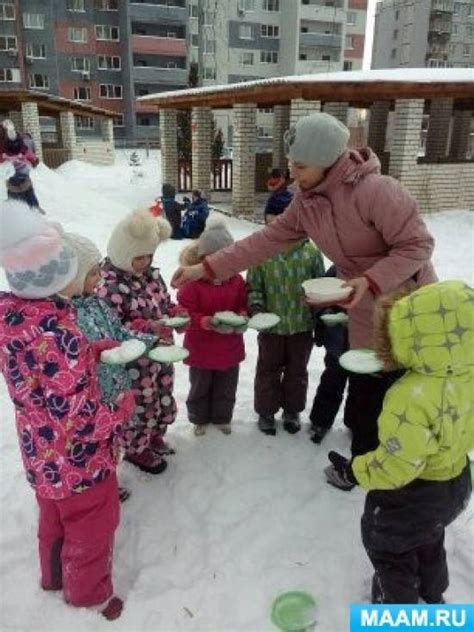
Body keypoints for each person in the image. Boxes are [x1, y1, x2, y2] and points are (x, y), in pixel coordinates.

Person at [172, 112, 437, 480]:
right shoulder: (307, 201)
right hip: (362, 306)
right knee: (366, 389)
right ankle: (366, 466)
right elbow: (263, 242)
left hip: (406, 304)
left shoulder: (378, 191)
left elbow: (418, 246)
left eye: (300, 166)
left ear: (328, 160)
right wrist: (205, 269)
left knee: (402, 393)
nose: (293, 174)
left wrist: (370, 280)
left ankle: (407, 473)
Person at [0, 200, 135, 620]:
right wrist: (120, 409)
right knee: (92, 526)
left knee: (53, 517)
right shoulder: (60, 333)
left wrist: (89, 353)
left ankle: (52, 575)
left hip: (41, 453)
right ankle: (88, 593)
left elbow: (41, 379)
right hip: (81, 462)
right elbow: (80, 418)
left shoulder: (15, 320)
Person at [325, 280, 473, 603]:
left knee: (390, 548)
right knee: (430, 536)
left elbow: (397, 467)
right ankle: (433, 595)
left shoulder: (409, 396)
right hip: (456, 483)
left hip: (413, 495)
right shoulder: (468, 375)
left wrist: (355, 470)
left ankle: (396, 608)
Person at [64, 232, 158, 501]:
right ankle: (94, 489)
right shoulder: (66, 315)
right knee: (89, 447)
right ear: (73, 276)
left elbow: (119, 333)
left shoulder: (98, 304)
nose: (100, 279)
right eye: (93, 273)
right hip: (91, 396)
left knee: (110, 442)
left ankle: (107, 481)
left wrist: (149, 341)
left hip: (113, 390)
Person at [98, 209, 181, 475]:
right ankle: (136, 448)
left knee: (162, 396)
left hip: (161, 355)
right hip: (134, 364)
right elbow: (112, 328)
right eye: (138, 257)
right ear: (122, 252)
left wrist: (175, 313)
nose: (145, 262)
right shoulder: (109, 285)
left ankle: (155, 434)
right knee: (140, 406)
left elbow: (164, 304)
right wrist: (147, 328)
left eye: (149, 255)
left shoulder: (152, 276)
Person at [247, 204, 324, 436]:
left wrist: (318, 311)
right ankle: (266, 411)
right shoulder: (261, 252)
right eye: (273, 221)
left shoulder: (311, 253)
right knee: (267, 370)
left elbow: (320, 285)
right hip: (271, 327)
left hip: (301, 326)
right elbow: (254, 286)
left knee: (297, 371)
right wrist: (257, 306)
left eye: (285, 219)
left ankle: (292, 411)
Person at [177, 218, 247, 436]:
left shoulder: (237, 282)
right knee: (200, 386)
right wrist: (205, 321)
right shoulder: (192, 285)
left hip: (229, 346)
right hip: (201, 347)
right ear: (202, 260)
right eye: (212, 260)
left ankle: (222, 417)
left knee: (227, 386)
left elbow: (243, 304)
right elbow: (185, 313)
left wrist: (243, 316)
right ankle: (199, 418)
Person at [309, 265, 350, 444]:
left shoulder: (383, 269)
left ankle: (356, 424)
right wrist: (326, 313)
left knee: (362, 389)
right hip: (337, 341)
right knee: (331, 383)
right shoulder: (337, 268)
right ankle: (320, 422)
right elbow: (319, 297)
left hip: (366, 345)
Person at [0, 119, 42, 211]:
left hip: (19, 177)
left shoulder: (19, 146)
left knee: (22, 195)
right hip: (15, 177)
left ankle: (32, 209)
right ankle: (30, 210)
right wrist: (34, 160)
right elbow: (29, 154)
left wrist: (34, 160)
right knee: (23, 195)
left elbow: (29, 153)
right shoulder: (12, 147)